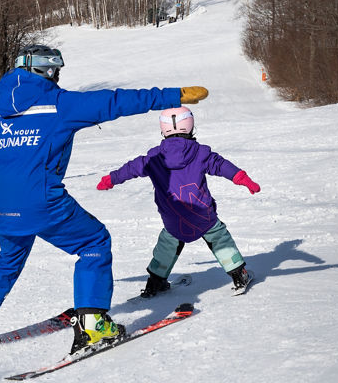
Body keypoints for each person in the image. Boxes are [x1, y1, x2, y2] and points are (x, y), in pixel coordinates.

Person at [0, 44, 208, 355]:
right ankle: (92, 325)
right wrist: (175, 95)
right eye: (57, 70)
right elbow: (116, 101)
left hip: (2, 203)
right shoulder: (60, 104)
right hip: (41, 201)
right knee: (94, 243)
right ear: (48, 71)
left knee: (7, 260)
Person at [95, 106, 261, 296]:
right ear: (190, 126)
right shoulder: (200, 153)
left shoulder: (154, 158)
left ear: (163, 129)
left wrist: (110, 179)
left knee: (168, 243)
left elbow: (131, 168)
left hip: (173, 220)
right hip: (202, 216)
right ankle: (239, 275)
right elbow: (221, 165)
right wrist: (243, 179)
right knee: (218, 237)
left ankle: (155, 283)